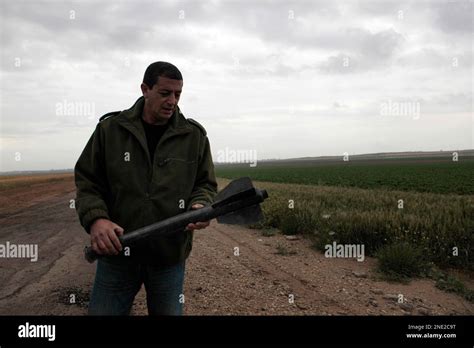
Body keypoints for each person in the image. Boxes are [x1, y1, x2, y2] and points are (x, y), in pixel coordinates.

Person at [74, 61, 217, 315]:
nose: (172, 101)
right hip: (117, 255)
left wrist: (200, 204)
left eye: (178, 94)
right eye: (165, 93)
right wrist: (97, 220)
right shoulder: (111, 130)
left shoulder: (193, 136)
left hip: (168, 256)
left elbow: (204, 183)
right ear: (145, 89)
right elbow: (88, 181)